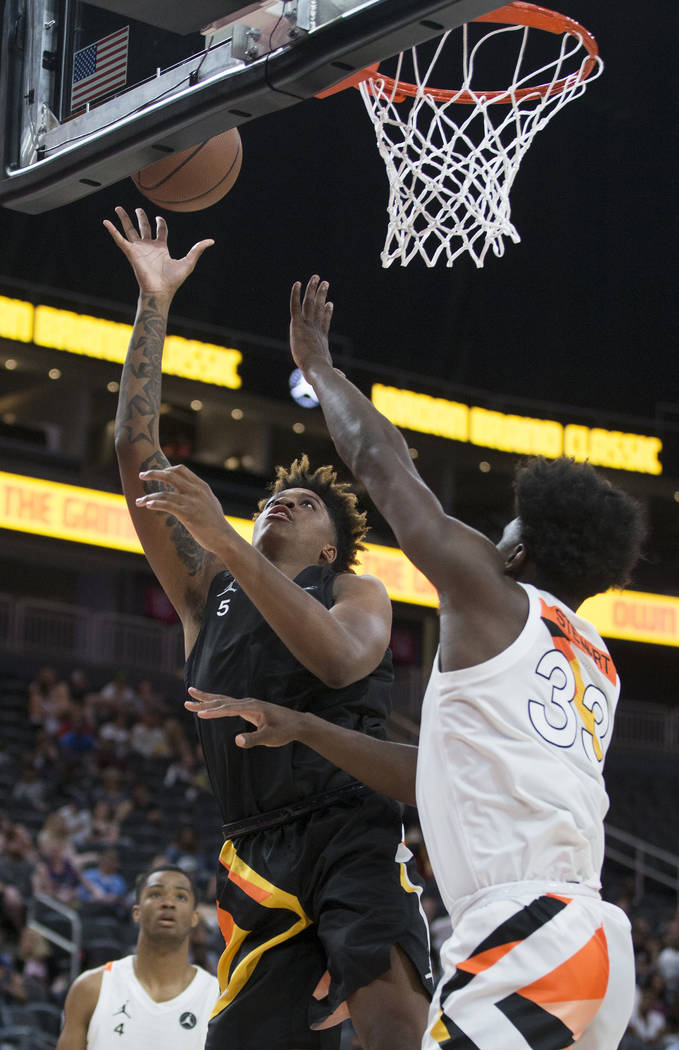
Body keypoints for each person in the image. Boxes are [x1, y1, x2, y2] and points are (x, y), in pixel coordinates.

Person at [186, 274, 647, 1050]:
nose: (483, 542)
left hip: (523, 927)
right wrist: (304, 727)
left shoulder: (492, 599)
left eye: (497, 535)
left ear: (520, 551)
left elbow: (383, 466)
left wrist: (319, 366)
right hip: (595, 940)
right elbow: (434, 772)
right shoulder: (594, 661)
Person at [104, 207, 432, 1050]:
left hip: (348, 823)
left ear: (330, 539)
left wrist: (221, 536)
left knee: (390, 1014)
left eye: (306, 500)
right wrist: (154, 301)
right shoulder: (204, 588)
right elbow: (134, 447)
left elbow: (334, 663)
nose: (279, 500)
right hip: (251, 849)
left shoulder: (356, 589)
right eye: (268, 500)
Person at [56, 865, 218, 1050]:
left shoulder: (217, 999)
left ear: (194, 917)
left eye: (181, 896)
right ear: (136, 912)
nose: (168, 903)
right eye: (156, 894)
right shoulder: (90, 988)